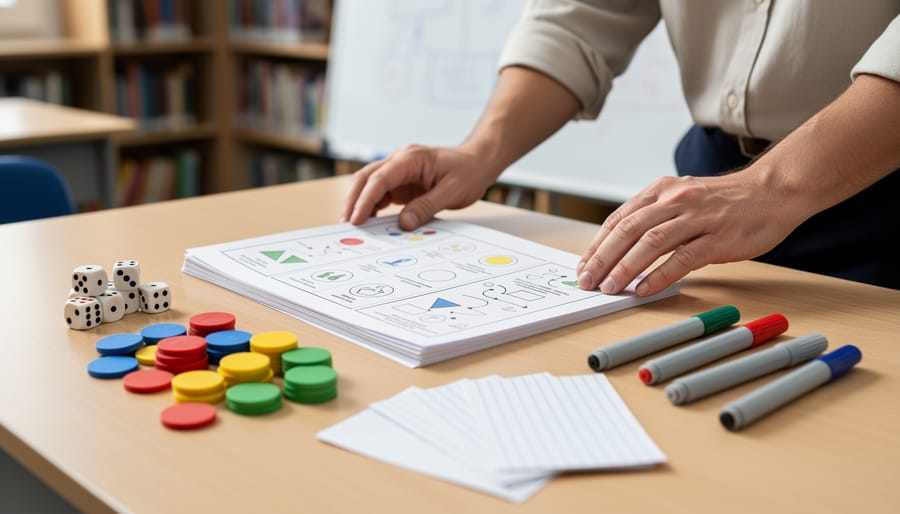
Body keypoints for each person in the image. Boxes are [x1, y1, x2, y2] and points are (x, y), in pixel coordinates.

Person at [341, 1, 900, 293]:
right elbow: (579, 17)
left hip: (881, 201)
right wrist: (482, 150)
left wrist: (770, 186)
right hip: (715, 197)